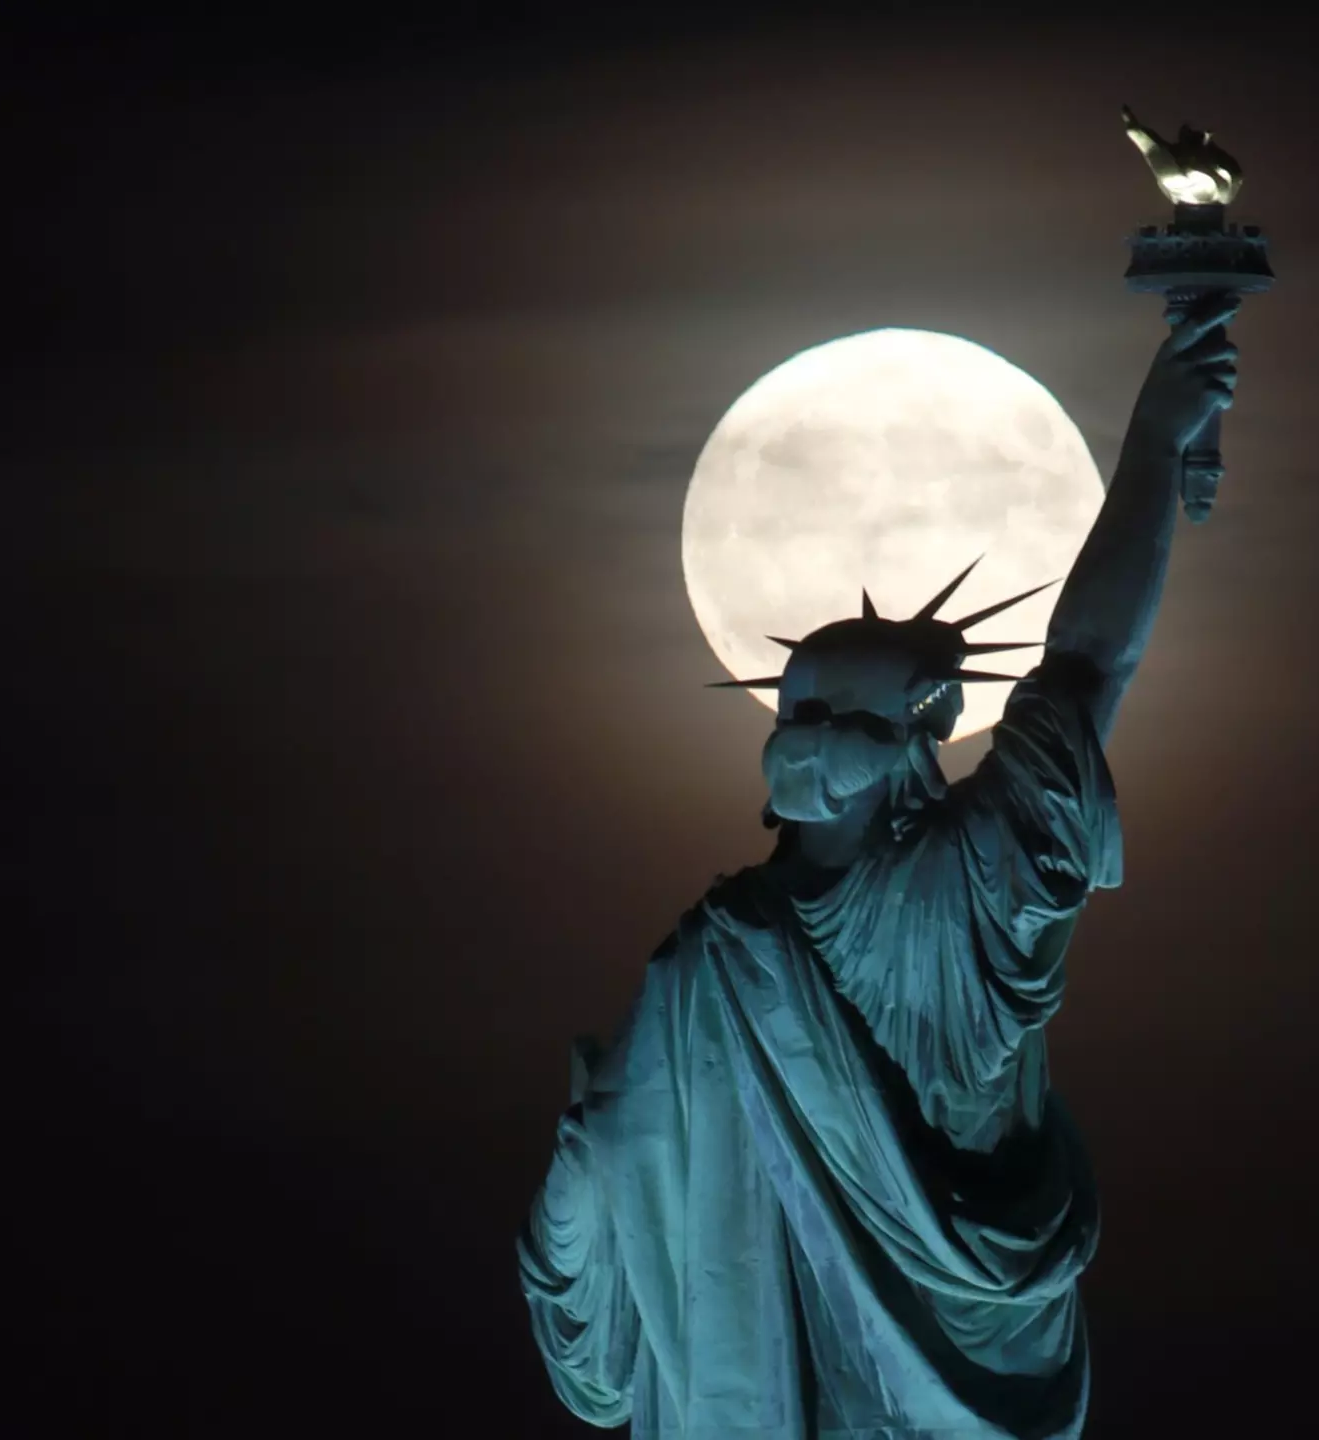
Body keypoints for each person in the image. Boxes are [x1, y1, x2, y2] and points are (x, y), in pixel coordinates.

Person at [516, 292, 1242, 1439]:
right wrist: (1153, 440)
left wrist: (1155, 443)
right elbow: (1088, 664)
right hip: (986, 1353)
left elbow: (592, 1220)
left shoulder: (731, 954)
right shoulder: (775, 942)